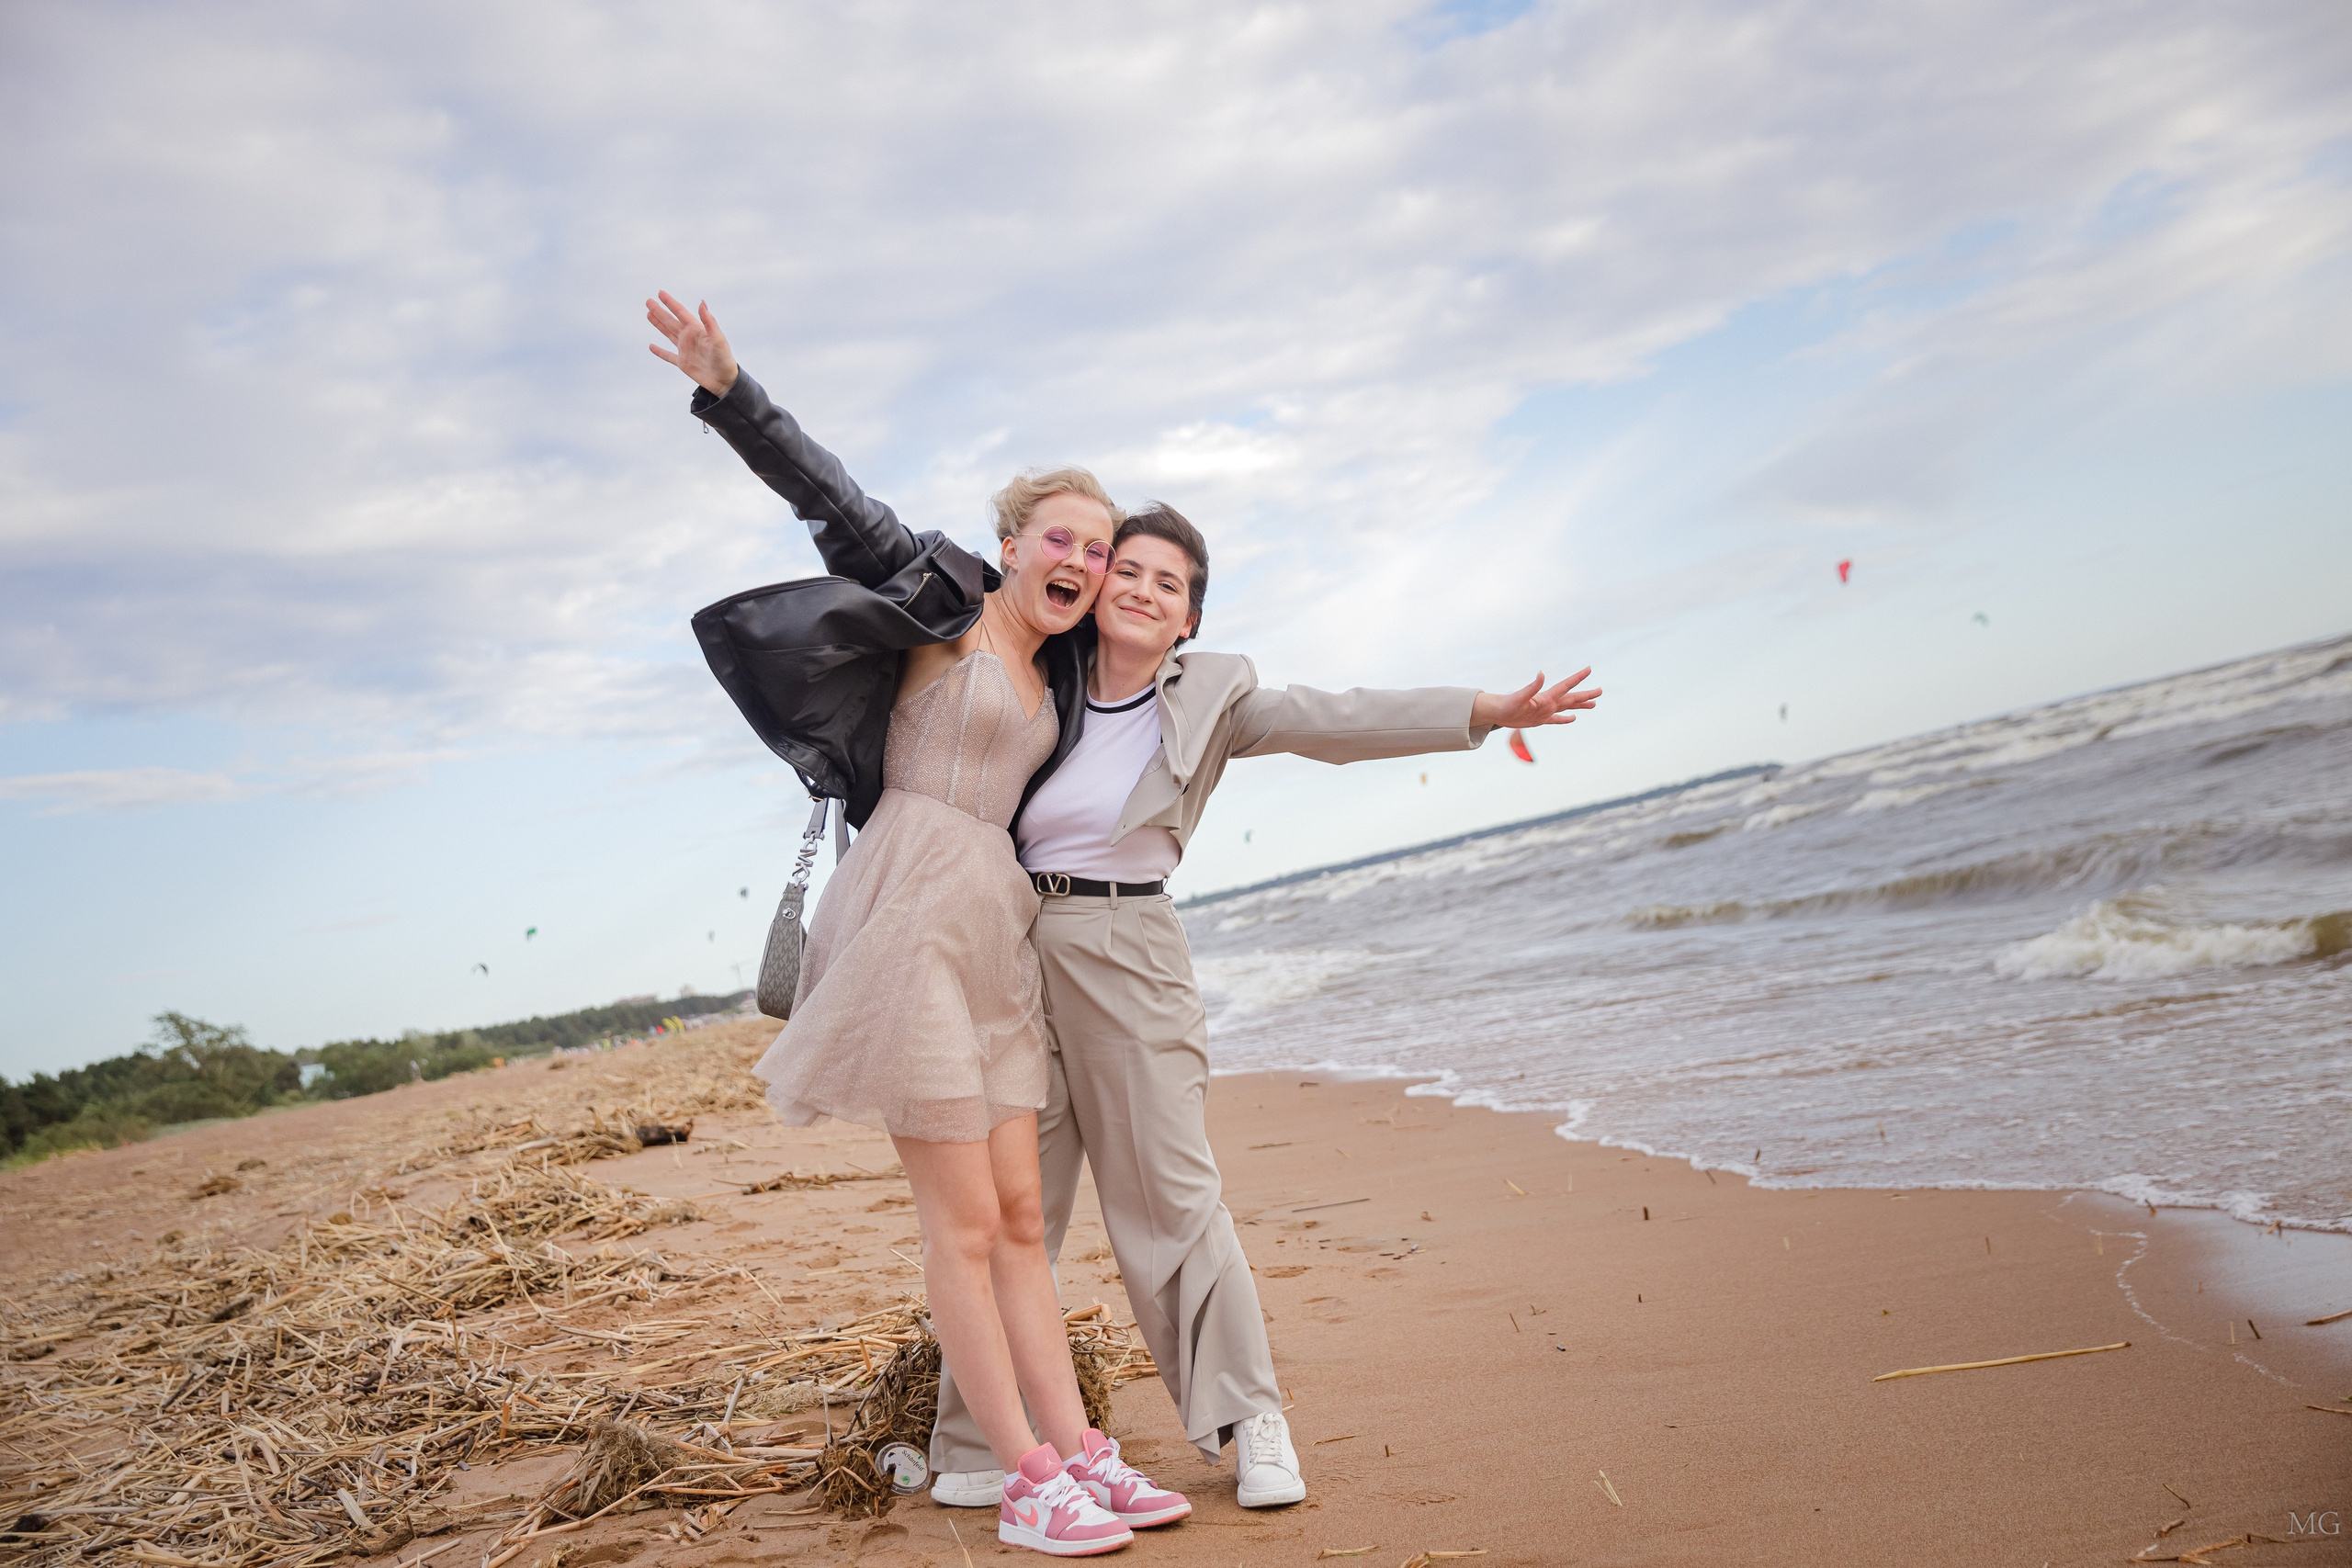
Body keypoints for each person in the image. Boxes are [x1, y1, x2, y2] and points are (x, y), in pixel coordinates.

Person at [650, 291, 1192, 1557]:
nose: (1083, 561)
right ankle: (1023, 1480)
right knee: (961, 1222)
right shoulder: (939, 597)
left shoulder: (1062, 665)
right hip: (903, 913)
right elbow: (829, 497)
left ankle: (1079, 1455)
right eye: (1063, 538)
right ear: (1011, 543)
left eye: (1100, 550)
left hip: (992, 934)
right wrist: (732, 391)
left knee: (1019, 1218)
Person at [924, 503, 1600, 1509]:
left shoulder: (1213, 696)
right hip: (1013, 952)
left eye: (1170, 584)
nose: (1144, 591)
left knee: (1172, 1200)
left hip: (1126, 947)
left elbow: (1337, 720)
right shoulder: (1041, 675)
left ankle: (1251, 1420)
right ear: (1098, 584)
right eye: (1129, 570)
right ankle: (981, 1444)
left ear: (1189, 618)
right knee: (1015, 1210)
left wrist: (1485, 711)